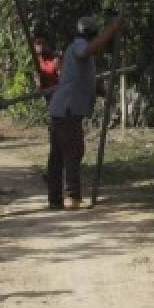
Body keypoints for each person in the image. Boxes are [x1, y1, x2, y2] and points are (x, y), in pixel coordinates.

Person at [45, 15, 123, 210]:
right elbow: (87, 50)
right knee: (72, 152)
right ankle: (71, 196)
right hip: (66, 109)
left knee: (59, 154)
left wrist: (105, 93)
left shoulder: (85, 58)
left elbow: (89, 81)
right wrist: (112, 29)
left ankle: (55, 198)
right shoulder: (79, 45)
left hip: (64, 109)